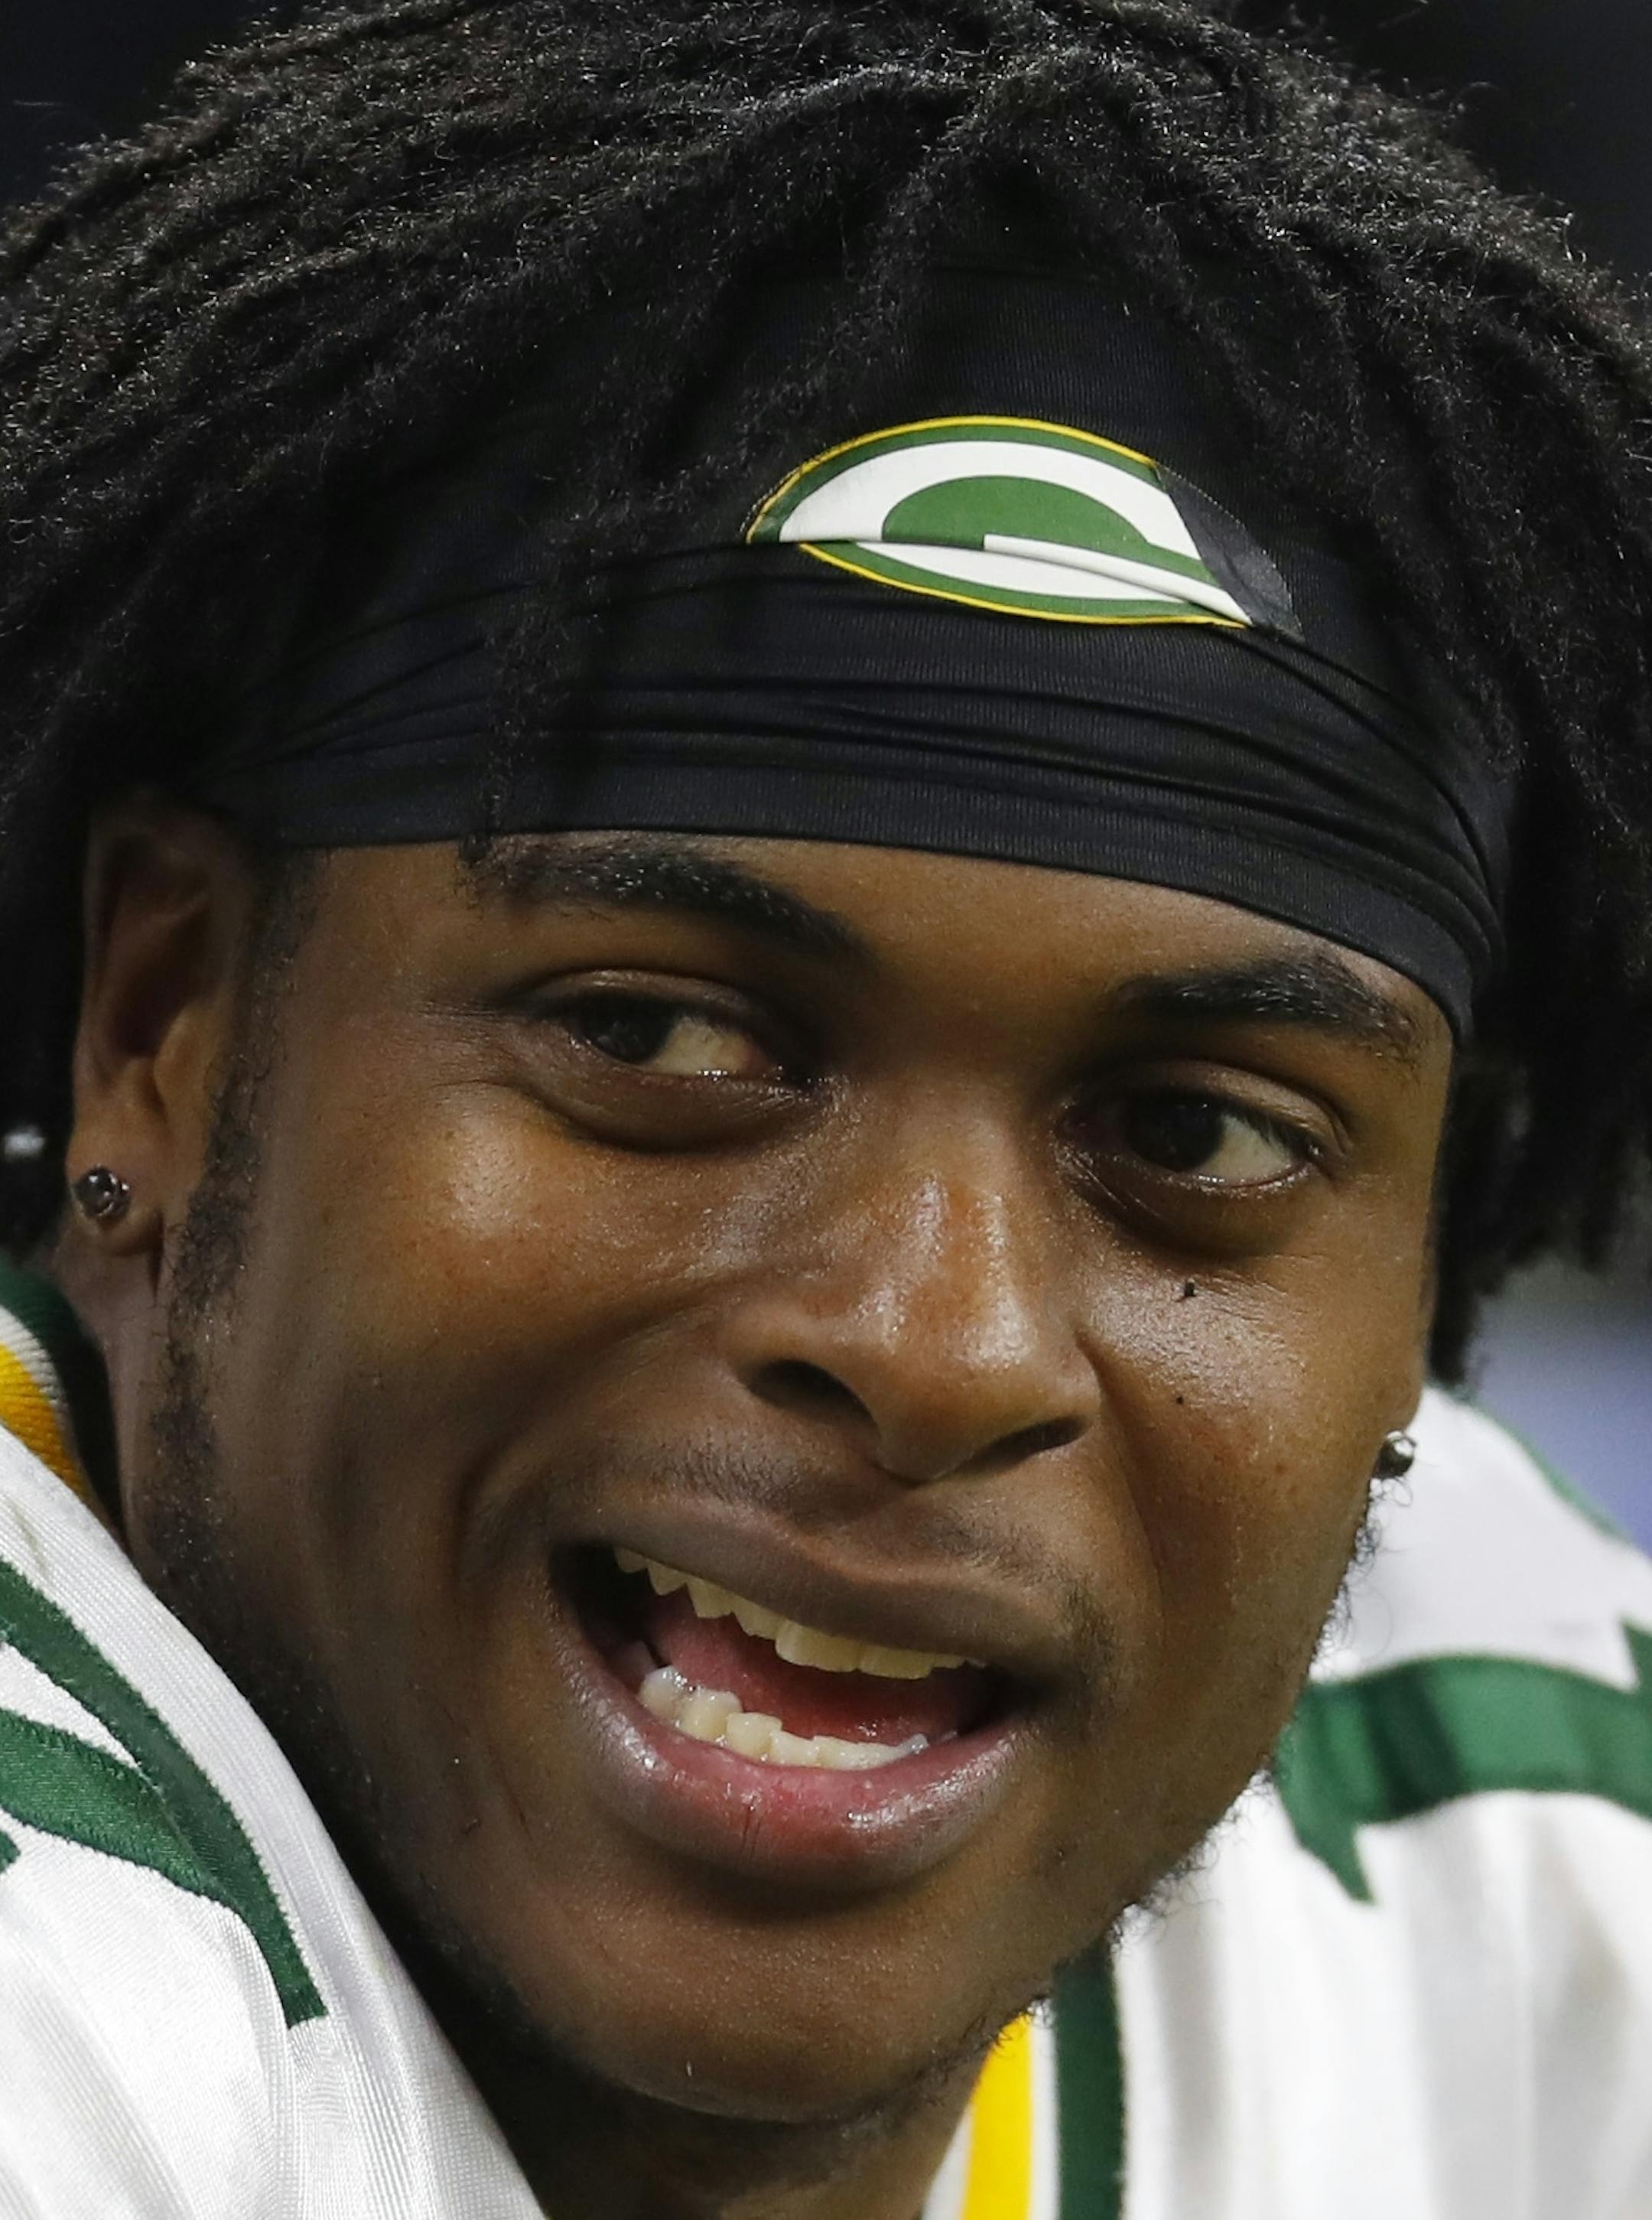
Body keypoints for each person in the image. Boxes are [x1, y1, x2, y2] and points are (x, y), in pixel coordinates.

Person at [1, 2, 1650, 2213]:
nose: (936, 1341)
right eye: (661, 1042)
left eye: (1196, 1139)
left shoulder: (1527, 1820)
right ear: (165, 1027)